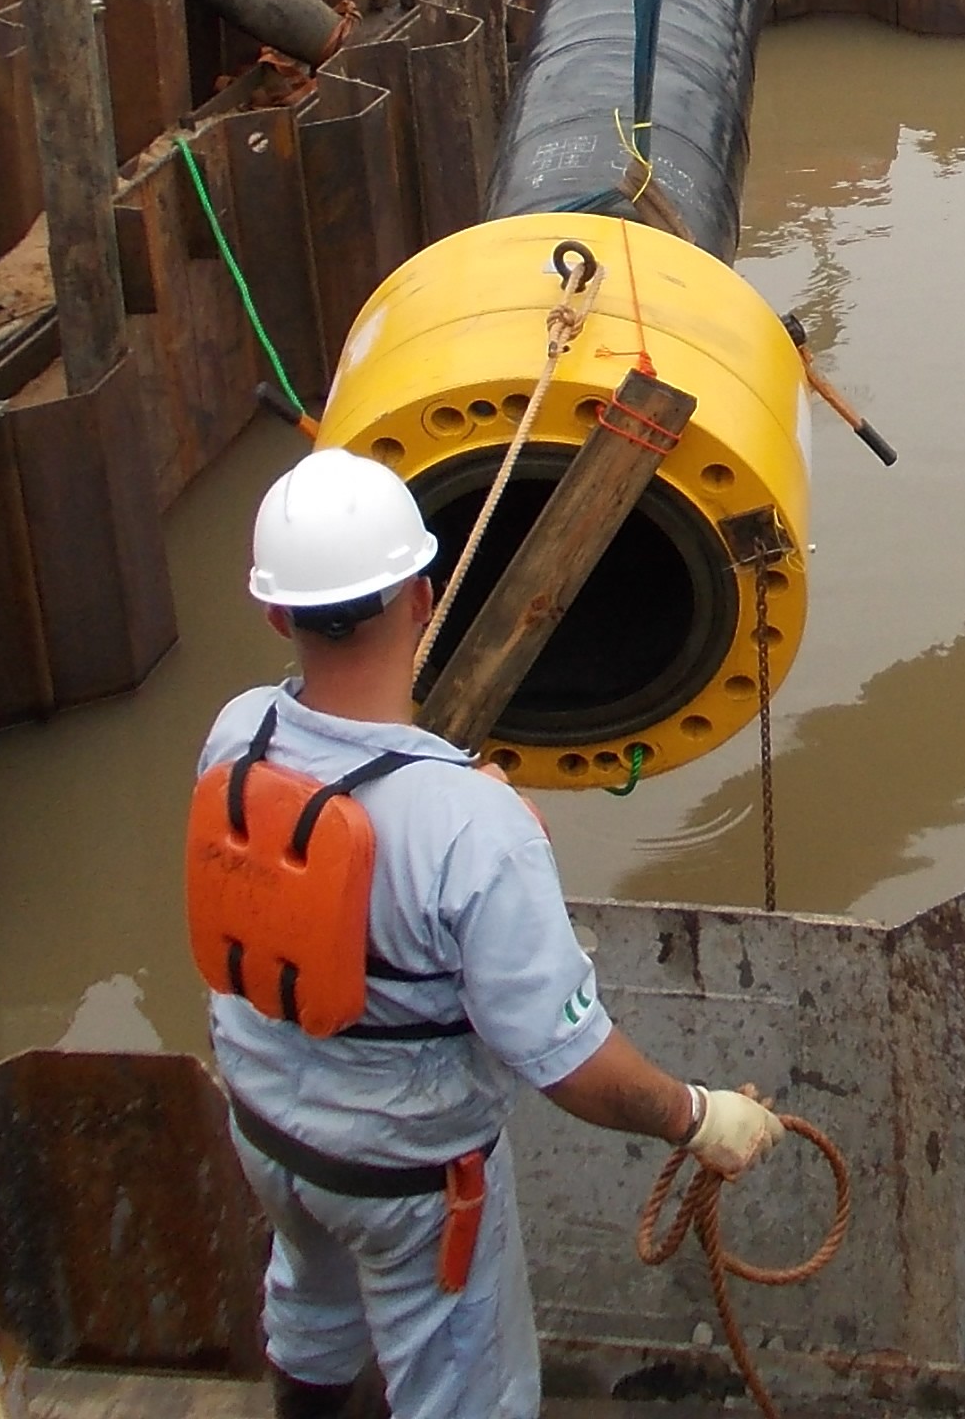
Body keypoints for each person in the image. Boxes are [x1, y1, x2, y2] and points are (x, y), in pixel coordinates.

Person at [191, 451, 787, 1417]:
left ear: (274, 614)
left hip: (267, 1131)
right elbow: (568, 1061)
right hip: (410, 1182)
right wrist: (696, 1117)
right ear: (423, 597)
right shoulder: (471, 828)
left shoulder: (236, 735)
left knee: (311, 1301)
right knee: (467, 1392)